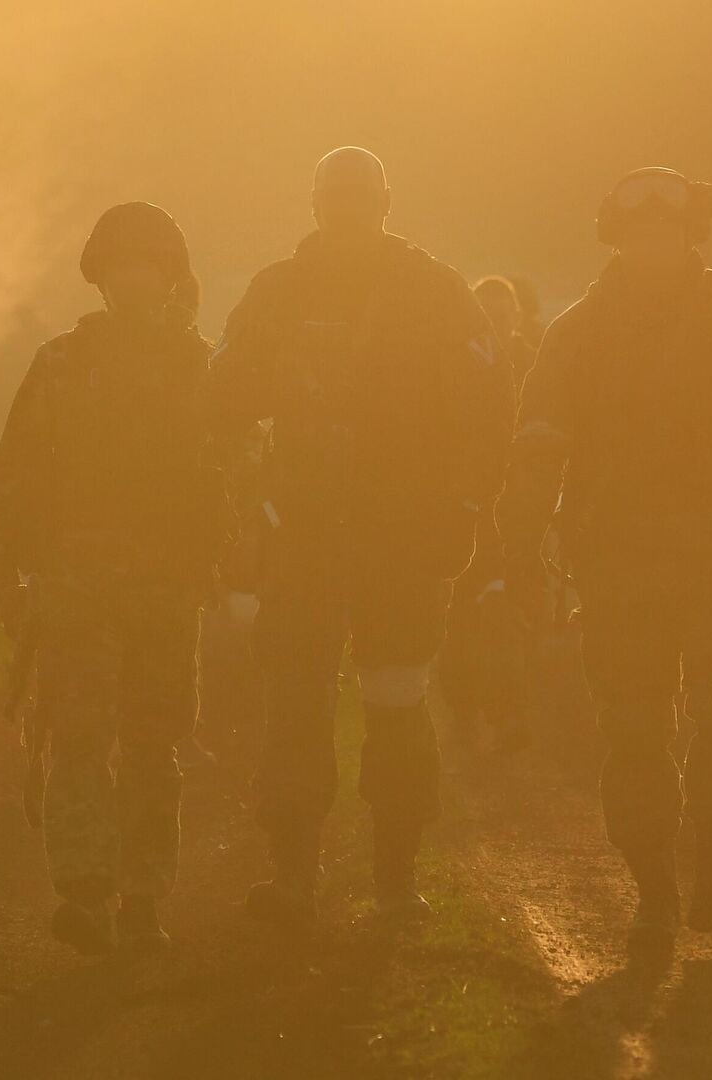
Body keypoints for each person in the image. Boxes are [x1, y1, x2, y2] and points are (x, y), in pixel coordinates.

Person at [497, 167, 712, 955]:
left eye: (669, 232)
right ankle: (655, 893)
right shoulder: (579, 333)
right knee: (636, 727)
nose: (656, 246)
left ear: (692, 236)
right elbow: (539, 441)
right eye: (640, 234)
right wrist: (518, 544)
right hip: (619, 566)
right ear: (619, 240)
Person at [208, 147, 514, 927]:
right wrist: (238, 507)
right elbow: (223, 401)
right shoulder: (281, 293)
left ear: (382, 205)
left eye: (357, 203)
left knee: (394, 703)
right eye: (336, 203)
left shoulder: (432, 292)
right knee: (299, 707)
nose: (346, 216)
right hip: (308, 535)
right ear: (319, 208)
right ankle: (299, 881)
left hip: (400, 539)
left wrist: (466, 508)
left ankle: (394, 880)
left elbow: (488, 407)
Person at [0, 202, 226, 955]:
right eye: (121, 266)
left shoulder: (202, 367)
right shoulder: (63, 363)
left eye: (148, 265)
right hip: (76, 585)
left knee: (154, 745)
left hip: (165, 588)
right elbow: (13, 473)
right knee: (79, 737)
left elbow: (233, 472)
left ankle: (144, 895)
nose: (135, 280)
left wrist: (222, 550)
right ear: (101, 276)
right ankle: (85, 892)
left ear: (170, 275)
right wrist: (10, 573)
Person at [440, 275, 540, 752]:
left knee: (504, 610)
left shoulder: (537, 365)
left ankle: (508, 711)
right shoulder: (453, 364)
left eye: (502, 316)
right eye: (486, 316)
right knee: (457, 615)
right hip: (464, 505)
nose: (494, 325)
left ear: (517, 318)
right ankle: (463, 710)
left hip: (517, 510)